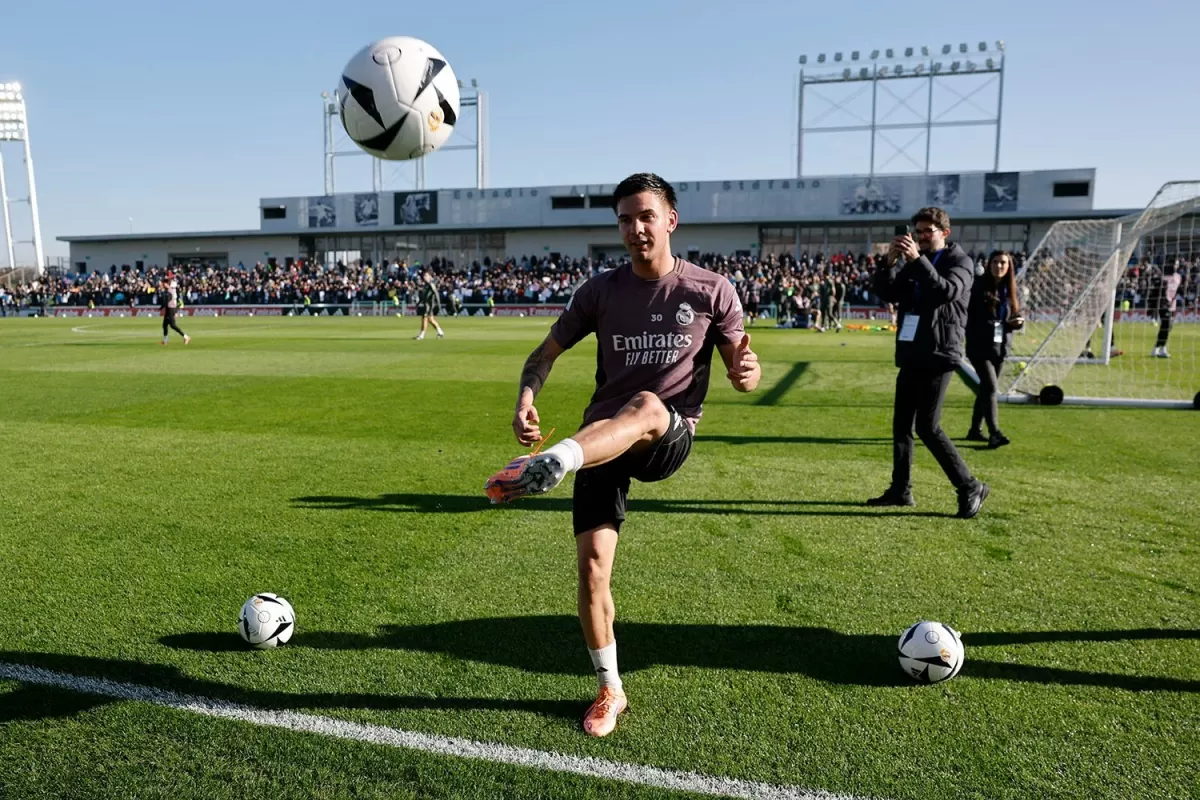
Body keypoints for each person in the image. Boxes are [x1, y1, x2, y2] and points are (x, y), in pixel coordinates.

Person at [483, 173, 761, 737]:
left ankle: (554, 462)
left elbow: (743, 371)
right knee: (591, 574)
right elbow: (541, 356)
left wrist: (746, 372)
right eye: (625, 219)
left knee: (648, 405)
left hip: (666, 434)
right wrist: (525, 400)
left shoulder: (711, 290)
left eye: (645, 217)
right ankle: (610, 687)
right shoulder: (600, 291)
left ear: (670, 220)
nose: (635, 229)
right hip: (600, 441)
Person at [869, 207, 988, 518]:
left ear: (944, 233)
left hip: (940, 351)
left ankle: (969, 485)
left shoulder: (960, 261)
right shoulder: (913, 262)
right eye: (917, 231)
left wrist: (915, 260)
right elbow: (888, 292)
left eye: (927, 232)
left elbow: (944, 291)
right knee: (901, 426)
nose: (920, 237)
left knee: (927, 426)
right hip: (912, 350)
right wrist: (888, 264)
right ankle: (901, 490)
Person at [965, 251, 1024, 448]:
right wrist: (1004, 324)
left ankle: (975, 430)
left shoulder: (1011, 290)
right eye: (996, 262)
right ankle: (994, 433)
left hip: (1000, 347)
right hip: (978, 345)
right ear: (989, 265)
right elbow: (976, 319)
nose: (999, 266)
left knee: (985, 389)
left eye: (1003, 263)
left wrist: (1017, 322)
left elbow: (1014, 315)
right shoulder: (978, 286)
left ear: (1009, 267)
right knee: (990, 387)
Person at [1152, 260, 1183, 358]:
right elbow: (1158, 292)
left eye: (1177, 264)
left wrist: (1174, 300)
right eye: (1174, 264)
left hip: (1172, 305)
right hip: (1163, 305)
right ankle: (1158, 348)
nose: (1176, 266)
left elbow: (1178, 290)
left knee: (1168, 327)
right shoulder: (1163, 277)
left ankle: (1161, 348)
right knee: (1166, 325)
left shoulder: (1178, 277)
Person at [159, 275, 190, 346]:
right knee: (165, 325)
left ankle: (186, 337)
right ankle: (165, 341)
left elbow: (168, 300)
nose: (163, 285)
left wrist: (161, 307)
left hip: (170, 308)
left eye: (163, 284)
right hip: (169, 308)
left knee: (172, 325)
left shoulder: (169, 291)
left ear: (166, 284)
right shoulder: (170, 290)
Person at [414, 272, 445, 340]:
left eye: (426, 276)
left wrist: (439, 305)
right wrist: (418, 303)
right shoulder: (425, 285)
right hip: (426, 304)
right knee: (431, 320)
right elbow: (424, 296)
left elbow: (436, 293)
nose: (424, 277)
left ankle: (421, 335)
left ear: (429, 277)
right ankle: (440, 332)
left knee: (424, 318)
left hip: (429, 305)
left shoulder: (431, 284)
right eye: (424, 276)